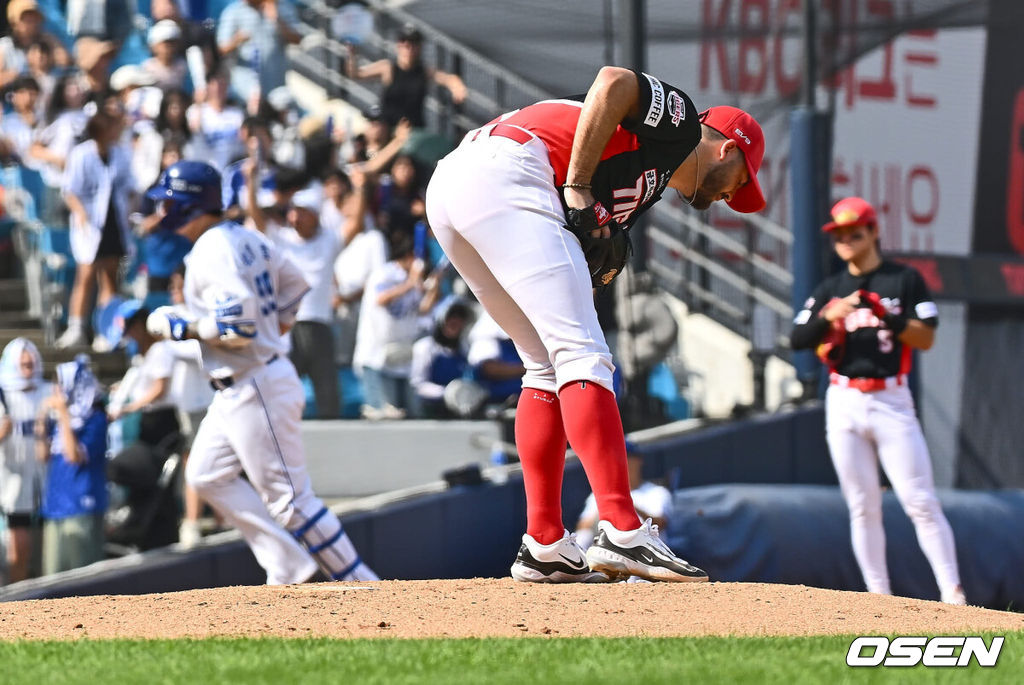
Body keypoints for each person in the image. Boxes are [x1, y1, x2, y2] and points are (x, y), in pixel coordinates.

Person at [425, 66, 767, 583]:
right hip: (510, 170)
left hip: (459, 185)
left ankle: (544, 544)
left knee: (544, 364)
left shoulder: (645, 184)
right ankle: (623, 529)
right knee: (583, 356)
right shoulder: (680, 129)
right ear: (728, 149)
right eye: (742, 181)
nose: (732, 196)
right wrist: (580, 187)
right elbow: (612, 83)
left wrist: (593, 219)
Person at [143, 160, 377, 584]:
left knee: (290, 502)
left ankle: (364, 585)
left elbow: (239, 329)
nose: (162, 211)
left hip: (254, 382)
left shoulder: (213, 249)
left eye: (169, 201)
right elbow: (294, 286)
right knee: (205, 474)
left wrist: (183, 326)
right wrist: (275, 328)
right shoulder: (242, 236)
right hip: (242, 384)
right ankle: (288, 564)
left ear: (188, 205)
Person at [789, 196, 967, 606]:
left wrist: (885, 315)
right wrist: (831, 316)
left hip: (891, 398)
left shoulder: (903, 280)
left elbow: (926, 336)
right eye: (839, 235)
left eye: (855, 232)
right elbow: (798, 339)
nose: (847, 240)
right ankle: (878, 598)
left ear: (873, 231)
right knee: (862, 505)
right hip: (844, 399)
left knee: (919, 500)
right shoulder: (831, 290)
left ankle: (952, 593)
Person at [245, 169, 343, 419]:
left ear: (314, 215)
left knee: (327, 390)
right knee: (281, 386)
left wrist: (362, 189)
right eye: (292, 211)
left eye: (301, 212)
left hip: (319, 324)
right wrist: (250, 181)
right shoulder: (282, 239)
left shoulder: (329, 239)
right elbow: (257, 219)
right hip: (287, 326)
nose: (294, 216)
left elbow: (356, 224)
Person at [58, 110, 134, 349]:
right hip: (89, 224)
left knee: (110, 278)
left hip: (114, 222)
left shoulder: (121, 154)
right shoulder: (81, 155)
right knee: (86, 275)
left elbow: (131, 186)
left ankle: (107, 330)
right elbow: (69, 190)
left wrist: (131, 209)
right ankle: (76, 327)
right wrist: (80, 212)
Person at [36, 356, 108, 575]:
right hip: (56, 505)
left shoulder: (95, 419)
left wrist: (64, 416)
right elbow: (41, 455)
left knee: (82, 578)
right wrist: (41, 418)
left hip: (82, 505)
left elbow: (73, 456)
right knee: (52, 577)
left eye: (60, 384)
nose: (56, 390)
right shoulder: (57, 421)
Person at [346, 23, 466, 129]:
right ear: (398, 45)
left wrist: (457, 86)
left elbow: (448, 79)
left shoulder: (423, 71)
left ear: (419, 47)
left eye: (413, 43)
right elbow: (356, 74)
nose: (408, 47)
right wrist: (352, 55)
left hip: (413, 132)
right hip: (389, 129)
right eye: (403, 42)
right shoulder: (387, 67)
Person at [0, 339, 49, 583]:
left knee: (46, 546)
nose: (29, 370)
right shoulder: (2, 395)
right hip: (13, 481)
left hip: (45, 478)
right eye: (23, 365)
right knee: (19, 544)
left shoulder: (48, 392)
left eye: (32, 364)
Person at [574, 442, 672, 551]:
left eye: (627, 457)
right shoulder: (600, 494)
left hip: (647, 550)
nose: (623, 462)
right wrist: (607, 506)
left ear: (639, 460)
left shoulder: (657, 492)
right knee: (584, 536)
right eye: (617, 458)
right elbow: (582, 527)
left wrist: (626, 503)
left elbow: (660, 525)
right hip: (610, 550)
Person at [216, 0, 301, 102]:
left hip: (276, 79)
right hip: (245, 82)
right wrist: (237, 39)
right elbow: (221, 48)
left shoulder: (283, 7)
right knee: (254, 105)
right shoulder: (233, 11)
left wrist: (277, 20)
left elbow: (297, 39)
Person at [409, 299, 474, 418]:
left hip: (458, 409)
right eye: (451, 316)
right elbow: (418, 384)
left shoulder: (464, 348)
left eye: (460, 317)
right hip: (430, 410)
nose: (455, 321)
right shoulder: (426, 347)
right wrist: (445, 392)